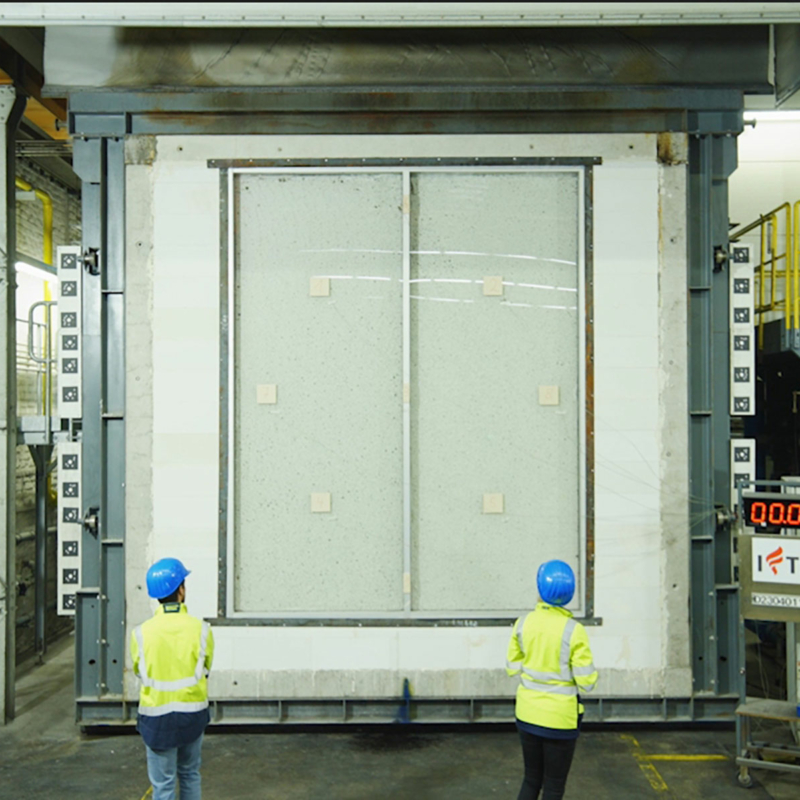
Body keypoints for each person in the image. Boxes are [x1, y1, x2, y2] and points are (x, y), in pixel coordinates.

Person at [505, 560, 598, 800]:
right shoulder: (574, 630)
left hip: (527, 715)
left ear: (540, 589)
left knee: (531, 779)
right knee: (554, 786)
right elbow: (587, 681)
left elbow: (512, 668)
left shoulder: (522, 624)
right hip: (560, 721)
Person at [131, 558, 214, 800]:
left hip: (156, 720)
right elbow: (206, 668)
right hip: (192, 715)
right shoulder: (202, 629)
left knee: (163, 785)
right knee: (189, 774)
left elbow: (140, 671)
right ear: (181, 589)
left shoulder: (140, 634)